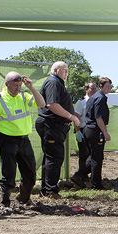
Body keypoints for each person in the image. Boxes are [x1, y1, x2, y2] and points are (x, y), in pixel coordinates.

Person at [0, 72, 45, 206]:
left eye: (19, 85)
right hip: (6, 140)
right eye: (15, 85)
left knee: (30, 173)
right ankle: (5, 203)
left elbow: (41, 104)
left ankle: (23, 198)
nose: (17, 88)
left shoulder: (23, 95)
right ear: (6, 84)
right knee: (8, 174)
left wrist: (32, 88)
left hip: (23, 140)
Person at [36, 61, 80, 198]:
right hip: (51, 125)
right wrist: (71, 116)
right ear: (55, 70)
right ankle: (50, 191)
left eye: (67, 70)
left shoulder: (57, 83)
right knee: (54, 158)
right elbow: (52, 104)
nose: (66, 73)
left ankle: (46, 189)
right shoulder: (53, 83)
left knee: (51, 158)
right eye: (64, 70)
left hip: (54, 126)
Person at [72, 77, 113, 189]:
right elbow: (98, 117)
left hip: (88, 129)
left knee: (94, 156)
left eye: (110, 86)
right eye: (107, 86)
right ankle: (95, 183)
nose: (109, 88)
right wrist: (105, 132)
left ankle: (80, 176)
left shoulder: (92, 98)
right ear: (101, 86)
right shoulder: (100, 98)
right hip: (95, 129)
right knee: (96, 158)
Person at [73, 81, 97, 185]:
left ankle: (87, 176)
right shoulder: (81, 103)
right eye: (92, 88)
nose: (94, 90)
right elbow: (76, 118)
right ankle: (81, 177)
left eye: (95, 88)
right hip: (83, 130)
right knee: (84, 155)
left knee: (91, 154)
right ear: (86, 89)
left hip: (91, 131)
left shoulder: (95, 101)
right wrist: (78, 132)